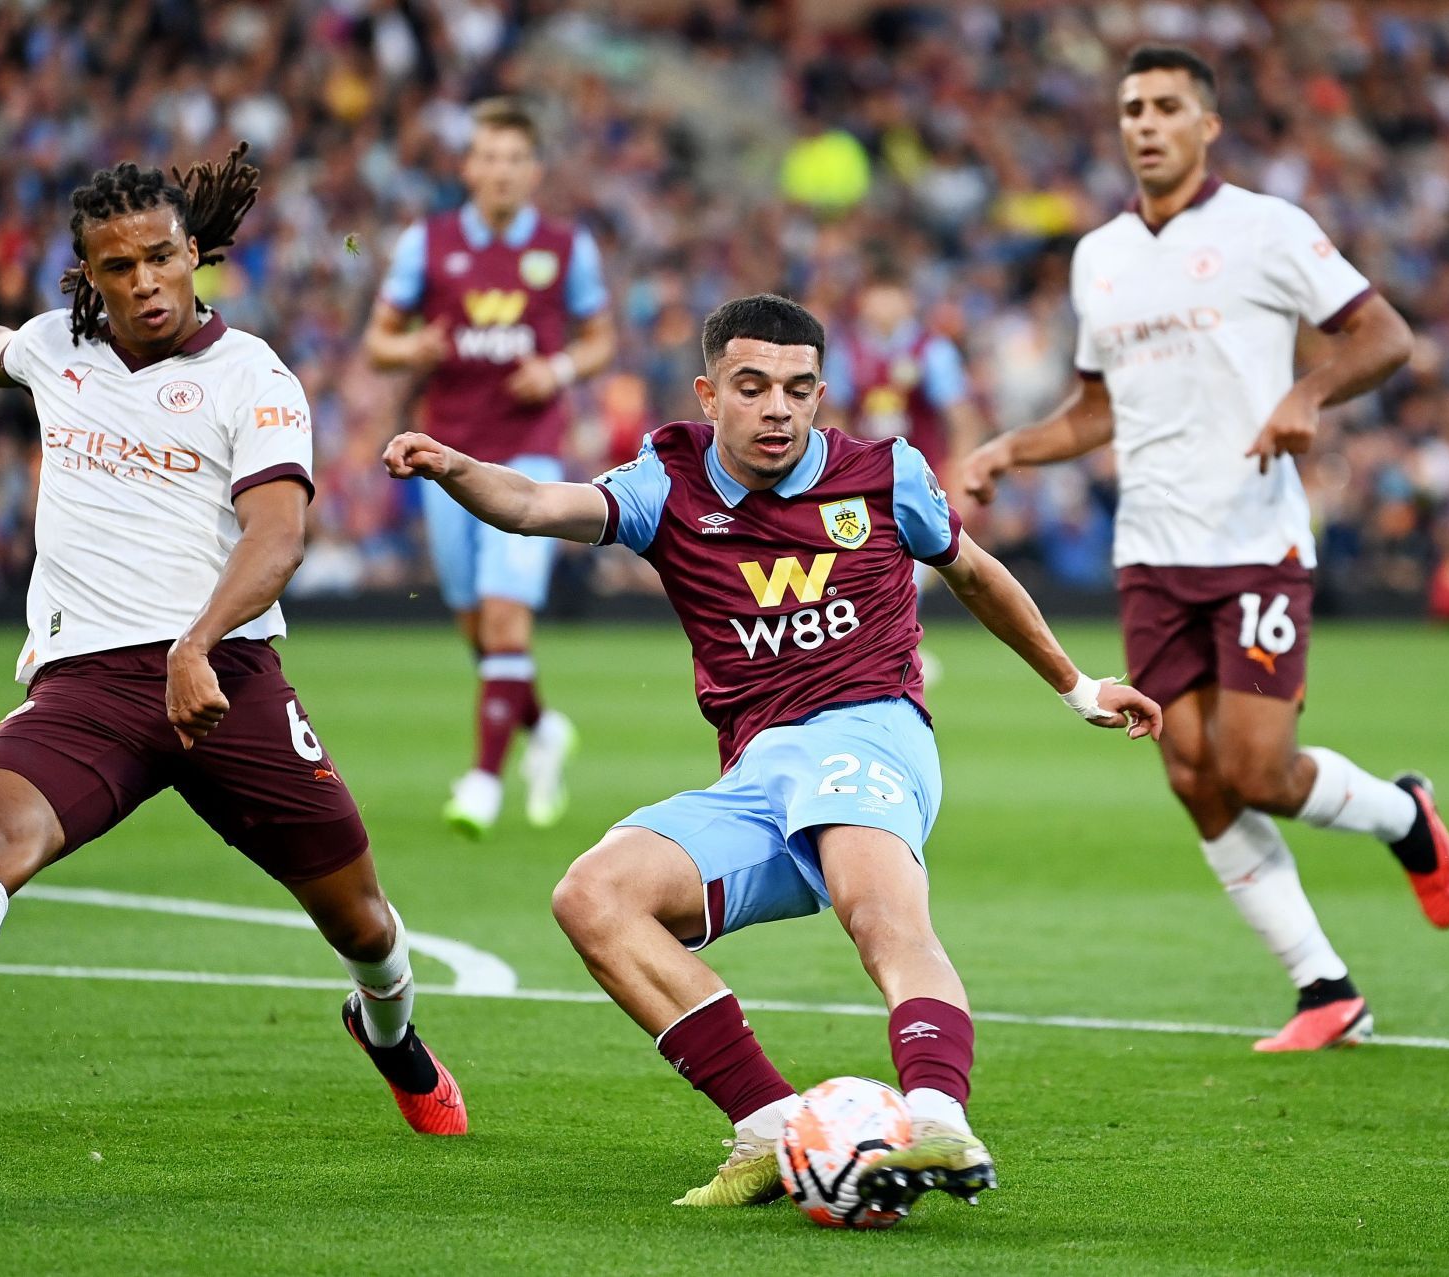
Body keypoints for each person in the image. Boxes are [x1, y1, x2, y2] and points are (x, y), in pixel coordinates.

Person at [383, 294, 1162, 1212]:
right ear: (711, 394)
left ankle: (941, 1117)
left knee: (881, 915)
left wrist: (1078, 686)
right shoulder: (667, 481)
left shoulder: (884, 474)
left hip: (872, 730)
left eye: (797, 390)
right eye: (753, 388)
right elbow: (534, 502)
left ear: (821, 394)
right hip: (756, 774)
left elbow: (976, 573)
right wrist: (454, 465)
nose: (778, 409)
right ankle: (767, 1125)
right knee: (594, 896)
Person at [0, 146, 467, 1135]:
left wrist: (196, 643)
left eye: (159, 255)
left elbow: (279, 537)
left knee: (360, 918)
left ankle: (392, 1032)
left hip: (225, 676)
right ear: (89, 276)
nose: (142, 280)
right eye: (117, 265)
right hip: (87, 682)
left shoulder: (253, 378)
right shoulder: (60, 346)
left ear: (196, 252)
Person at [963, 46, 1449, 1052]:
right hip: (1150, 551)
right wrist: (1012, 447)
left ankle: (1405, 816)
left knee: (1258, 768)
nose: (1143, 124)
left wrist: (1304, 394)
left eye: (1164, 107)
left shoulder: (1266, 229)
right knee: (1190, 770)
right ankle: (1323, 984)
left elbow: (1385, 337)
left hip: (1253, 541)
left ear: (1207, 124)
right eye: (1130, 109)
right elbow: (1095, 408)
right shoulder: (1097, 254)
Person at [364, 97, 617, 838]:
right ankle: (542, 729)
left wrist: (561, 368)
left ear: (533, 171)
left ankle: (482, 778)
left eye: (515, 159)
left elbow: (600, 338)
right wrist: (413, 350)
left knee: (505, 618)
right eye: (488, 157)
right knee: (480, 629)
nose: (501, 171)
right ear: (469, 166)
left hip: (530, 454)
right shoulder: (428, 243)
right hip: (446, 455)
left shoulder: (568, 247)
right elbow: (381, 341)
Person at [824, 262, 985, 682]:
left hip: (917, 480)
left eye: (890, 292)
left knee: (911, 568)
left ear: (907, 299)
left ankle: (894, 646)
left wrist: (960, 477)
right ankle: (875, 649)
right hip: (860, 481)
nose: (882, 303)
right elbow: (835, 418)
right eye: (876, 293)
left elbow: (961, 418)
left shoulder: (932, 351)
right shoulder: (845, 352)